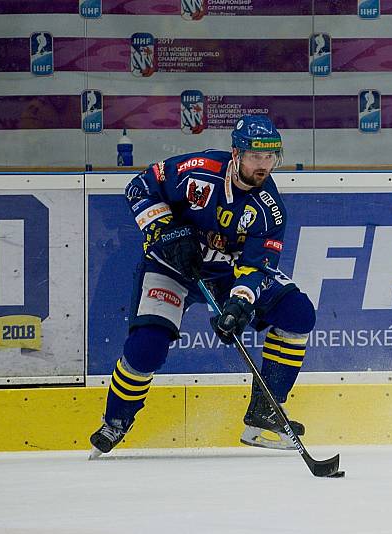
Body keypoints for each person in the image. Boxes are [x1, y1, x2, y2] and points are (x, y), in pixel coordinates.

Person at [89, 115, 316, 456]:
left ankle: (264, 412)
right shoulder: (198, 169)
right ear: (236, 153)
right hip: (171, 266)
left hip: (226, 274)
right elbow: (139, 187)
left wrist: (239, 306)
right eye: (256, 156)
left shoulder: (270, 211)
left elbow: (255, 267)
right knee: (147, 349)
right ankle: (116, 421)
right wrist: (164, 229)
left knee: (298, 314)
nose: (264, 165)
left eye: (271, 157)